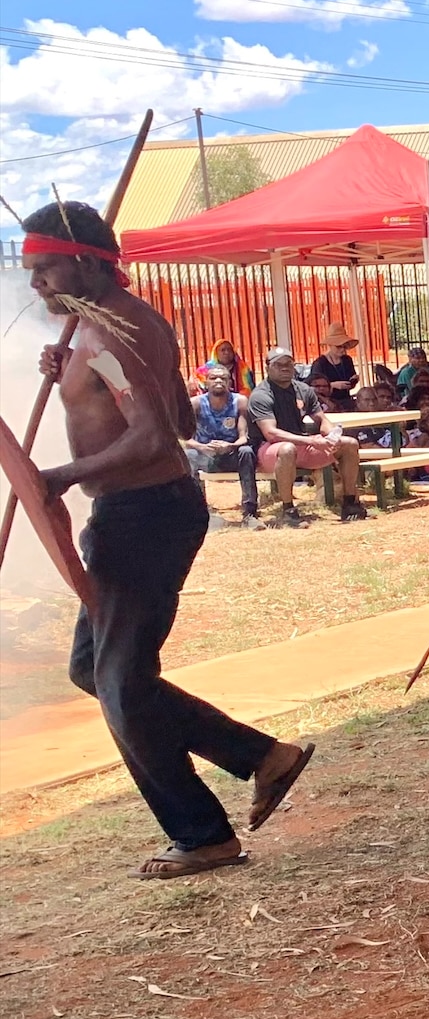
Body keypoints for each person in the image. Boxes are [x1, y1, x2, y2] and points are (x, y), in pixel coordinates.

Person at [20, 202, 313, 877]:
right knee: (94, 671)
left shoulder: (109, 337)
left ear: (88, 262)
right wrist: (72, 376)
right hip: (142, 512)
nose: (35, 283)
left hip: (143, 517)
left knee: (120, 683)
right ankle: (265, 757)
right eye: (30, 271)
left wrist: (60, 474)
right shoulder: (117, 326)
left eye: (45, 269)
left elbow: (155, 438)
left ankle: (203, 833)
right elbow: (178, 414)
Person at [248, 348, 365, 521]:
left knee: (349, 444)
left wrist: (333, 434)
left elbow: (321, 420)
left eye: (288, 364)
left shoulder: (303, 390)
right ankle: (288, 510)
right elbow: (271, 433)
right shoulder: (260, 395)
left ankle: (349, 503)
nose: (284, 368)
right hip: (269, 449)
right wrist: (310, 440)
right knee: (287, 449)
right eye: (278, 364)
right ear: (267, 368)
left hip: (302, 445)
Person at [187, 366, 261, 528]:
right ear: (206, 382)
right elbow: (185, 438)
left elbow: (244, 437)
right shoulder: (196, 403)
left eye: (223, 378)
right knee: (189, 455)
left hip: (230, 454)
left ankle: (250, 513)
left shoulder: (239, 401)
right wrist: (203, 447)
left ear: (230, 382)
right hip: (205, 455)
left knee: (246, 451)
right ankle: (198, 513)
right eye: (213, 378)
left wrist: (230, 446)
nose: (218, 381)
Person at [304, 325, 361, 415]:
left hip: (346, 401)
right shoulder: (320, 363)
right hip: (327, 404)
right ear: (330, 345)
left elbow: (351, 382)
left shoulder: (347, 360)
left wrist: (353, 381)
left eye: (345, 346)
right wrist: (333, 385)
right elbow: (312, 388)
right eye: (339, 347)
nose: (343, 350)